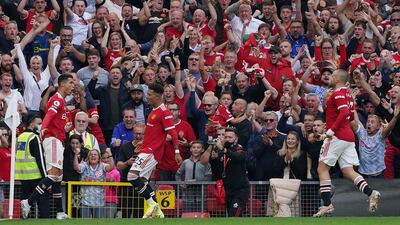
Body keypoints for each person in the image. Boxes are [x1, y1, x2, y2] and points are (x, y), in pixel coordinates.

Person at [313, 69, 380, 217]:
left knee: (322, 169)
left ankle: (327, 204)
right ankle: (370, 193)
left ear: (336, 78)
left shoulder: (337, 94)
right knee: (348, 171)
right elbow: (349, 116)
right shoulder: (348, 95)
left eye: (331, 75)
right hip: (348, 137)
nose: (329, 77)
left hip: (336, 136)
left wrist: (330, 131)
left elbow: (344, 114)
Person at [20, 74, 74, 220]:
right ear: (62, 84)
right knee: (53, 174)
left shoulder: (61, 101)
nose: (73, 85)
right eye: (70, 82)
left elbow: (57, 121)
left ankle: (60, 212)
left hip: (58, 139)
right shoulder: (57, 99)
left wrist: (66, 129)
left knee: (57, 177)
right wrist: (43, 127)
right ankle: (28, 202)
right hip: (53, 140)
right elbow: (49, 115)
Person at [126, 83, 182, 218]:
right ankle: (158, 212)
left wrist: (177, 152)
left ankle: (151, 203)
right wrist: (143, 143)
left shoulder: (164, 112)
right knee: (143, 181)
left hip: (152, 151)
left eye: (149, 94)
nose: (147, 97)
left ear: (157, 96)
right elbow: (154, 133)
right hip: (147, 148)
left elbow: (173, 132)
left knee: (132, 176)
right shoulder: (153, 110)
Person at [209, 127, 249, 217]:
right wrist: (214, 159)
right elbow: (217, 170)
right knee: (235, 216)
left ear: (236, 138)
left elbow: (238, 157)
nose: (227, 139)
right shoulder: (221, 151)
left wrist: (223, 150)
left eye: (230, 137)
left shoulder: (239, 149)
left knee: (233, 216)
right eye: (226, 137)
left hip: (240, 190)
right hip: (227, 190)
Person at [15, 115, 49, 218]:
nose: (40, 126)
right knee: (44, 207)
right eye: (38, 123)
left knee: (25, 210)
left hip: (23, 176)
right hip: (36, 176)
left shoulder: (20, 137)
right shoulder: (34, 137)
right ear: (31, 124)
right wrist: (46, 178)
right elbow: (40, 160)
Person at [73, 148, 114, 218]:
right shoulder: (84, 165)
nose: (93, 156)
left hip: (99, 202)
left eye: (95, 154)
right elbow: (76, 167)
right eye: (91, 155)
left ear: (99, 158)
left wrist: (110, 154)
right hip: (85, 201)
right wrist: (76, 154)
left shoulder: (102, 165)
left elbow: (111, 167)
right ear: (88, 157)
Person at [175, 140, 212, 212]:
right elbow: (178, 175)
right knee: (187, 218)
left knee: (201, 219)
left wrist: (194, 182)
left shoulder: (206, 163)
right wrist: (181, 183)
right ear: (190, 149)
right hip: (187, 197)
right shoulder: (185, 162)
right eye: (194, 147)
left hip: (201, 197)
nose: (195, 149)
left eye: (198, 147)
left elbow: (208, 178)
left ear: (202, 150)